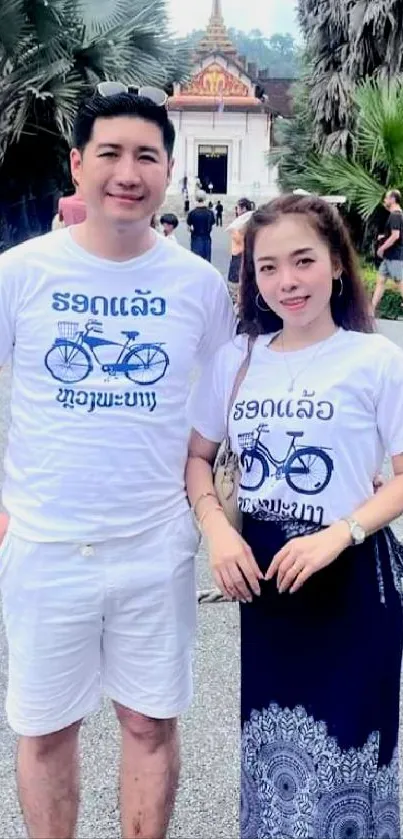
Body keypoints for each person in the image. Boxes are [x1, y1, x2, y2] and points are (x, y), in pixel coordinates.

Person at [0, 83, 235, 839]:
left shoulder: (198, 287)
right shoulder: (21, 273)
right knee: (43, 729)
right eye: (109, 153)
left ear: (168, 170)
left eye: (146, 155)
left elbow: (235, 402)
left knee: (149, 724)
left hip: (153, 546)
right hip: (44, 544)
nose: (127, 172)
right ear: (77, 163)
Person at [186, 194, 403, 839]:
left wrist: (340, 533)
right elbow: (197, 459)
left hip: (353, 576)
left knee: (352, 750)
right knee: (273, 754)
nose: (287, 281)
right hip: (268, 582)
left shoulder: (375, 360)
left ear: (338, 264)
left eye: (303, 261)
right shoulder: (235, 359)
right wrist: (219, 532)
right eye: (268, 266)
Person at [372, 189, 403, 312]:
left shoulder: (395, 215)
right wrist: (383, 237)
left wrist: (381, 248)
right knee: (380, 281)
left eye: (386, 198)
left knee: (400, 282)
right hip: (389, 257)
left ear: (393, 199)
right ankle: (371, 310)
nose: (384, 200)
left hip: (395, 256)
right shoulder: (397, 215)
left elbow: (396, 236)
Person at [227, 198, 255, 304]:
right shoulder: (248, 220)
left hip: (240, 254)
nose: (236, 210)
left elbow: (240, 240)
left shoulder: (244, 223)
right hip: (242, 254)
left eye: (237, 208)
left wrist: (234, 231)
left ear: (243, 209)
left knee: (236, 284)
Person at [187, 193, 215, 262]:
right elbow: (211, 224)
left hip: (195, 237)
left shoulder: (192, 213)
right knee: (206, 261)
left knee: (196, 261)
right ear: (205, 199)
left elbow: (189, 227)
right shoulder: (210, 213)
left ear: (196, 199)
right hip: (206, 238)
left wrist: (192, 231)